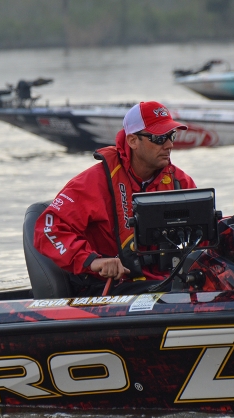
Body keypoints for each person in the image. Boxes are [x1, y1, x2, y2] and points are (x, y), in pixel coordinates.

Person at [33, 101, 196, 296]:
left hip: (166, 282)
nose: (169, 145)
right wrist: (93, 261)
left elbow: (205, 234)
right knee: (180, 293)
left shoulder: (180, 182)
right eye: (159, 138)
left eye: (172, 136)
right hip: (112, 288)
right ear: (133, 141)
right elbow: (47, 230)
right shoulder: (95, 181)